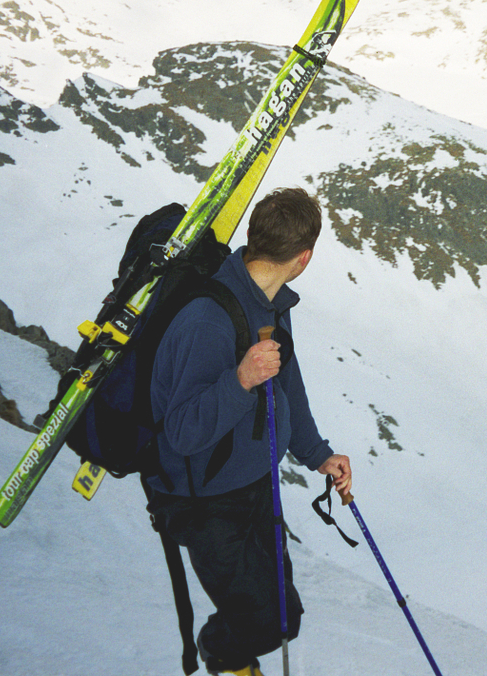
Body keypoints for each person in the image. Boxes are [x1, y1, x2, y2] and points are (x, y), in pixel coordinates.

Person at [145, 186, 351, 676]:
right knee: (261, 623)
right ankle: (222, 658)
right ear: (304, 258)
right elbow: (182, 431)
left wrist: (318, 453)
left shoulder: (272, 304)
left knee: (283, 617)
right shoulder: (208, 320)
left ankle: (234, 656)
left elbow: (287, 390)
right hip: (203, 500)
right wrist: (239, 380)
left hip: (252, 484)